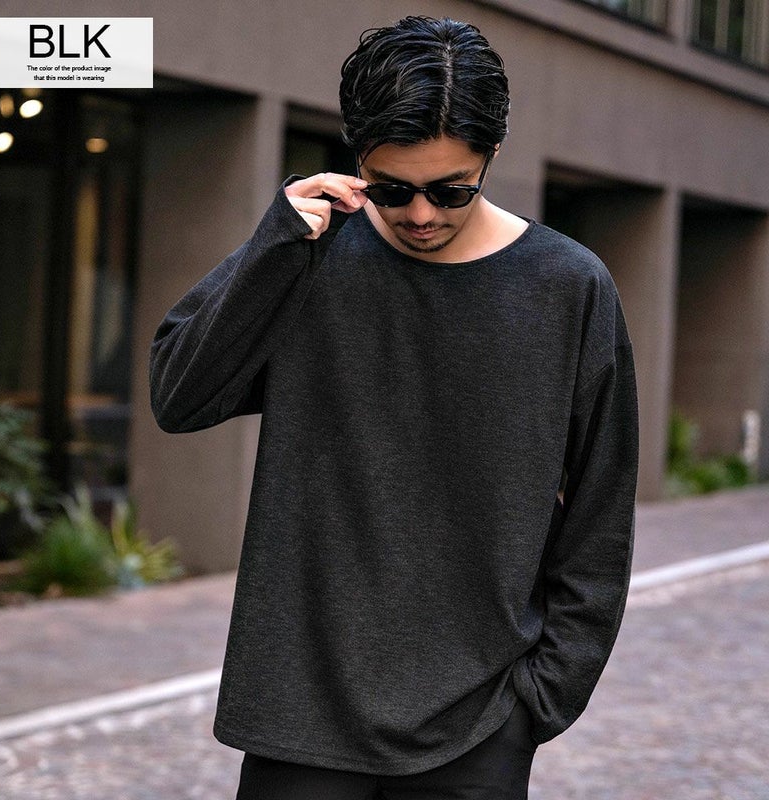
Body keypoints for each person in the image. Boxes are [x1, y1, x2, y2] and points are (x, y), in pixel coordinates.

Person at [150, 15, 639, 800]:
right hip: (300, 712)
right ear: (357, 157)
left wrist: (541, 699)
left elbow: (600, 509)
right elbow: (179, 396)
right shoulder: (307, 257)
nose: (419, 214)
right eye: (392, 187)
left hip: (479, 722)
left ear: (492, 155)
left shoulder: (568, 287)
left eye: (451, 190)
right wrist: (275, 247)